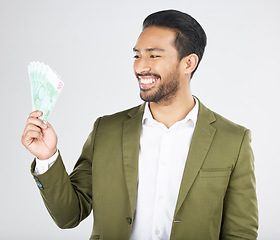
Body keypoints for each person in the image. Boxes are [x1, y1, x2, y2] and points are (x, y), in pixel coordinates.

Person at [21, 9, 258, 240]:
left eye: (154, 55)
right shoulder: (106, 130)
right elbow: (69, 216)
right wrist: (47, 157)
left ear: (188, 63)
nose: (140, 66)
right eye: (137, 55)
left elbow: (241, 233)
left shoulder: (233, 140)